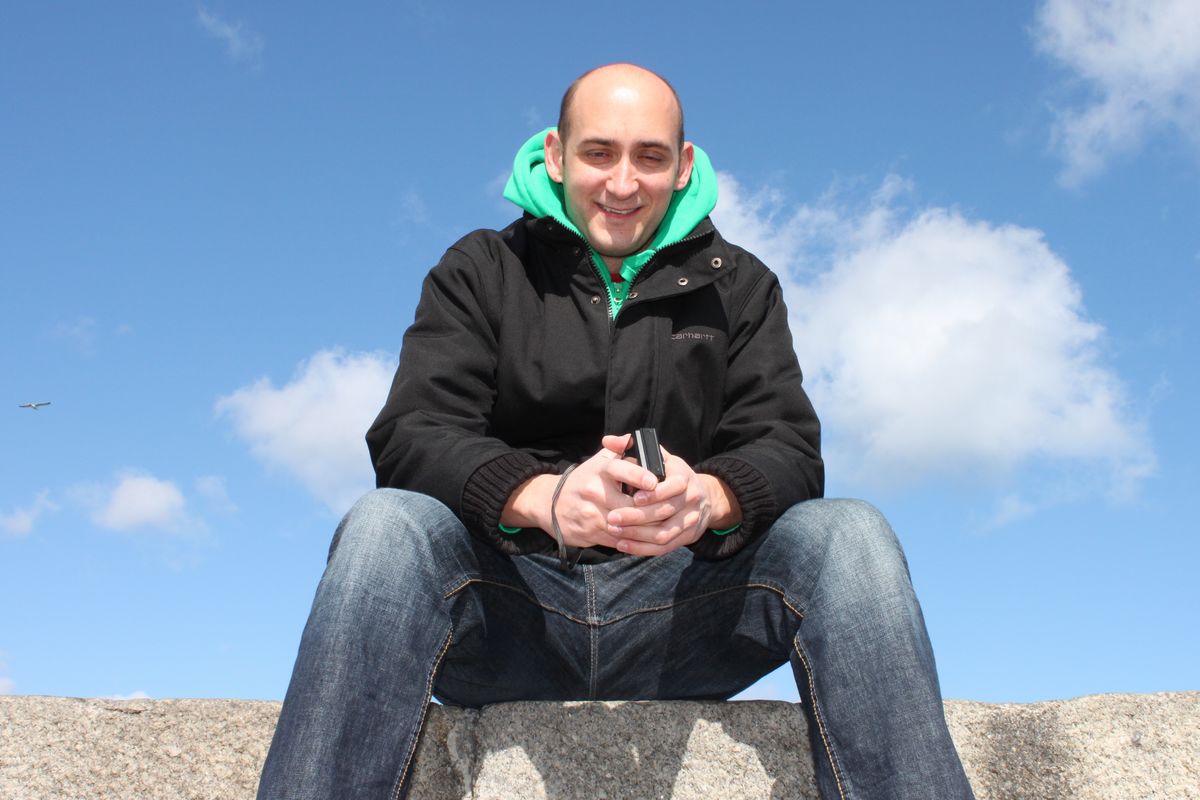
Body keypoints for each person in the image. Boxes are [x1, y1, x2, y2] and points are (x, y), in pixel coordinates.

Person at [256, 63, 975, 800]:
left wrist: (709, 498)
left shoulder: (744, 285)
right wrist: (543, 498)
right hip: (509, 607)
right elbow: (413, 432)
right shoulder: (481, 268)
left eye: (649, 157)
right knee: (384, 525)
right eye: (599, 153)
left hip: (684, 616)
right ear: (557, 154)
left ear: (683, 165)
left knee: (851, 533)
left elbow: (788, 445)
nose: (623, 183)